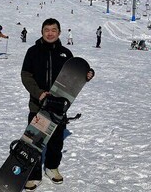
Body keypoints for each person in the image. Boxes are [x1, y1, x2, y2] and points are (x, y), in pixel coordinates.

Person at [21, 18, 94, 191]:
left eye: (54, 30)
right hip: (38, 105)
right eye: (47, 30)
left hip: (59, 107)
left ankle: (52, 167)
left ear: (59, 32)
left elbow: (74, 77)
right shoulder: (33, 52)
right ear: (42, 32)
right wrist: (39, 94)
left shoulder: (66, 54)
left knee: (56, 141)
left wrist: (87, 74)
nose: (50, 33)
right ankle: (33, 174)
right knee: (34, 141)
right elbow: (26, 76)